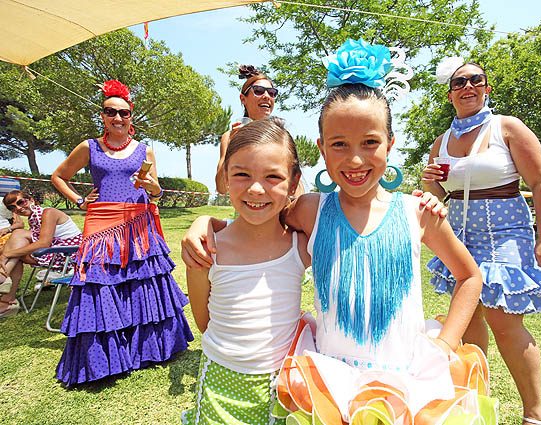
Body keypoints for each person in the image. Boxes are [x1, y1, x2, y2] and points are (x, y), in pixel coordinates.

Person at [182, 40, 497, 424]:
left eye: (370, 143)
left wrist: (447, 342)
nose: (355, 159)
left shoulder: (418, 212)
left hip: (407, 381)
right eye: (339, 145)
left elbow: (469, 276)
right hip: (329, 383)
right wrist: (207, 224)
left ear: (390, 144)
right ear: (322, 148)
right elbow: (257, 224)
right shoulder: (311, 210)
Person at [422, 59, 541, 425]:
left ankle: (534, 413)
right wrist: (429, 180)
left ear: (486, 87)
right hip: (461, 236)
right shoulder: (442, 141)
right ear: (450, 94)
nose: (467, 87)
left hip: (506, 233)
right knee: (467, 323)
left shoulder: (508, 128)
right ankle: (473, 405)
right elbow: (438, 194)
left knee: (504, 322)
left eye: (475, 80)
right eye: (459, 83)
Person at [50, 79, 193, 385]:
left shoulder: (145, 150)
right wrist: (77, 199)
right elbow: (58, 176)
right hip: (102, 224)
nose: (117, 118)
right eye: (110, 112)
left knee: (142, 282)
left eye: (123, 113)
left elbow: (156, 191)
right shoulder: (89, 147)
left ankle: (148, 350)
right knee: (100, 285)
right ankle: (104, 359)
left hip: (139, 225)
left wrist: (150, 185)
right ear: (102, 115)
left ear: (131, 117)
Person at [181, 118, 311, 425]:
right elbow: (205, 323)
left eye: (272, 176)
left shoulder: (302, 246)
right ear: (225, 178)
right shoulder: (206, 249)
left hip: (285, 386)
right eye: (241, 174)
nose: (255, 189)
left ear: (293, 183)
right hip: (219, 385)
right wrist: (204, 220)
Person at [0, 190, 81, 318]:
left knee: (18, 237)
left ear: (31, 200)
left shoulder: (48, 213)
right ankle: (5, 292)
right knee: (17, 245)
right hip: (55, 252)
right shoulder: (34, 218)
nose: (18, 208)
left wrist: (6, 254)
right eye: (13, 207)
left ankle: (6, 291)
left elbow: (43, 243)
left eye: (21, 202)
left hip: (70, 255)